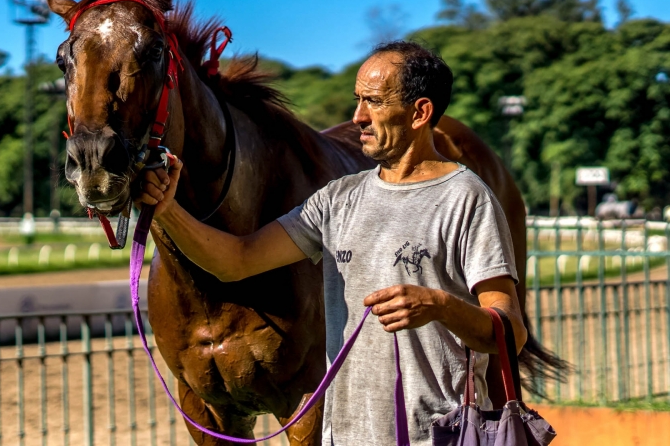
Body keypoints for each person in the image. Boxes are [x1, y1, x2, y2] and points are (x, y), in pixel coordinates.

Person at [138, 41, 527, 446]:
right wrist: (167, 210)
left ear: (420, 112)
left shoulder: (467, 197)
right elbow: (236, 260)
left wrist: (439, 306)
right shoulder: (337, 198)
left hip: (438, 435)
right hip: (345, 436)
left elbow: (510, 333)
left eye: (373, 102)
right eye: (358, 100)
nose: (358, 116)